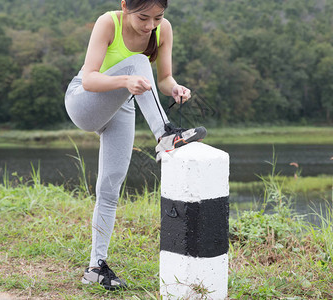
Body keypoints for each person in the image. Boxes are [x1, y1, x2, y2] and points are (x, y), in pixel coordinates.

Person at [64, 0, 206, 290]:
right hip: (84, 100)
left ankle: (95, 268)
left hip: (123, 106)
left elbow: (163, 80)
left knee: (110, 188)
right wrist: (126, 79)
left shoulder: (162, 30)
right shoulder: (109, 22)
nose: (150, 25)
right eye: (143, 17)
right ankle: (164, 135)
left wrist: (175, 88)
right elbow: (90, 79)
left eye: (157, 17)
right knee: (140, 62)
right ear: (125, 5)